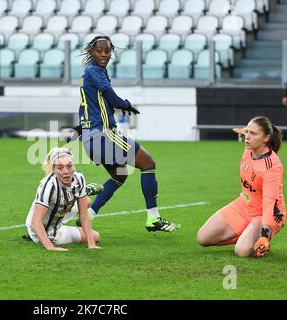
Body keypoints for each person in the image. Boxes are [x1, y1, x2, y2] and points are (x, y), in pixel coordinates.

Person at [75, 36, 180, 232]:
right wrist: (126, 105)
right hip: (104, 136)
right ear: (91, 52)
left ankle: (88, 215)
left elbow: (88, 107)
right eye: (100, 50)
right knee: (148, 164)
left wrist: (81, 129)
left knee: (120, 175)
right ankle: (153, 219)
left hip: (91, 139)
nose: (104, 54)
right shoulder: (95, 71)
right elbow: (111, 98)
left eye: (107, 51)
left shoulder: (88, 74)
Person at [198, 116, 285, 257]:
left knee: (242, 251)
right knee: (203, 238)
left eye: (253, 133)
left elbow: (269, 203)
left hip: (264, 214)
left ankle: (258, 239)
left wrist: (264, 232)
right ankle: (247, 235)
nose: (247, 137)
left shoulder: (272, 167)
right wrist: (246, 131)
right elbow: (247, 132)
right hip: (243, 205)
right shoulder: (249, 150)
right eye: (247, 132)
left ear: (266, 138)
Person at [25, 147, 100, 251]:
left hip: (57, 220)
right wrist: (51, 247)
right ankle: (82, 192)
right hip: (42, 231)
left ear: (74, 166)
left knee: (95, 235)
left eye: (69, 166)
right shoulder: (48, 186)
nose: (66, 171)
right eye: (60, 168)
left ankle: (81, 192)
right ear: (53, 170)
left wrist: (91, 244)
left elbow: (84, 214)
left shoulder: (79, 178)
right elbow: (35, 222)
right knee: (62, 203)